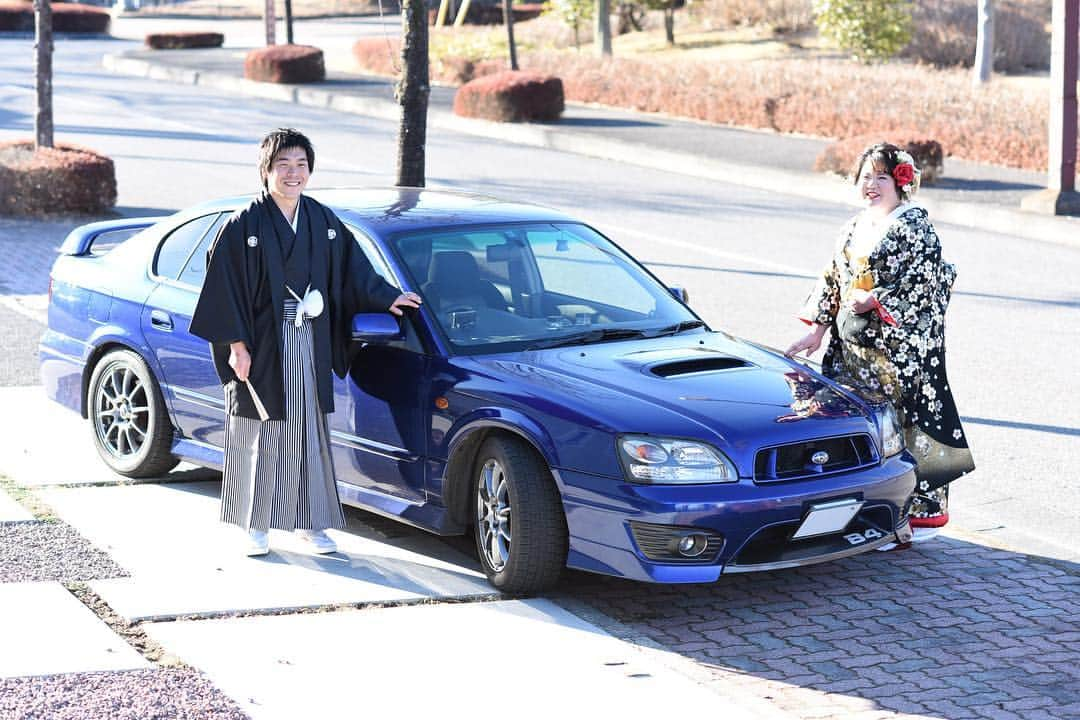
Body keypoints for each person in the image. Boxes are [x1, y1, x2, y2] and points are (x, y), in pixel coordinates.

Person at [190, 128, 421, 556]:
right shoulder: (243, 225)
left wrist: (388, 296)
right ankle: (254, 523)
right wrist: (236, 346)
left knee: (309, 432)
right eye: (283, 165)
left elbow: (354, 269)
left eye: (300, 165)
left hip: (309, 337)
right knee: (261, 428)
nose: (293, 173)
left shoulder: (321, 220)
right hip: (262, 341)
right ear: (266, 171)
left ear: (309, 170)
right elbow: (225, 288)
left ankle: (310, 523)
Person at [786, 142, 974, 545]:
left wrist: (877, 299)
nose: (871, 185)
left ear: (901, 183)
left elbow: (926, 283)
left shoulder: (914, 228)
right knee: (854, 427)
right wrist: (817, 330)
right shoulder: (853, 226)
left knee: (899, 429)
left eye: (881, 177)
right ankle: (856, 510)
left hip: (896, 352)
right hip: (851, 347)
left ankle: (908, 516)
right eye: (865, 176)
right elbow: (833, 277)